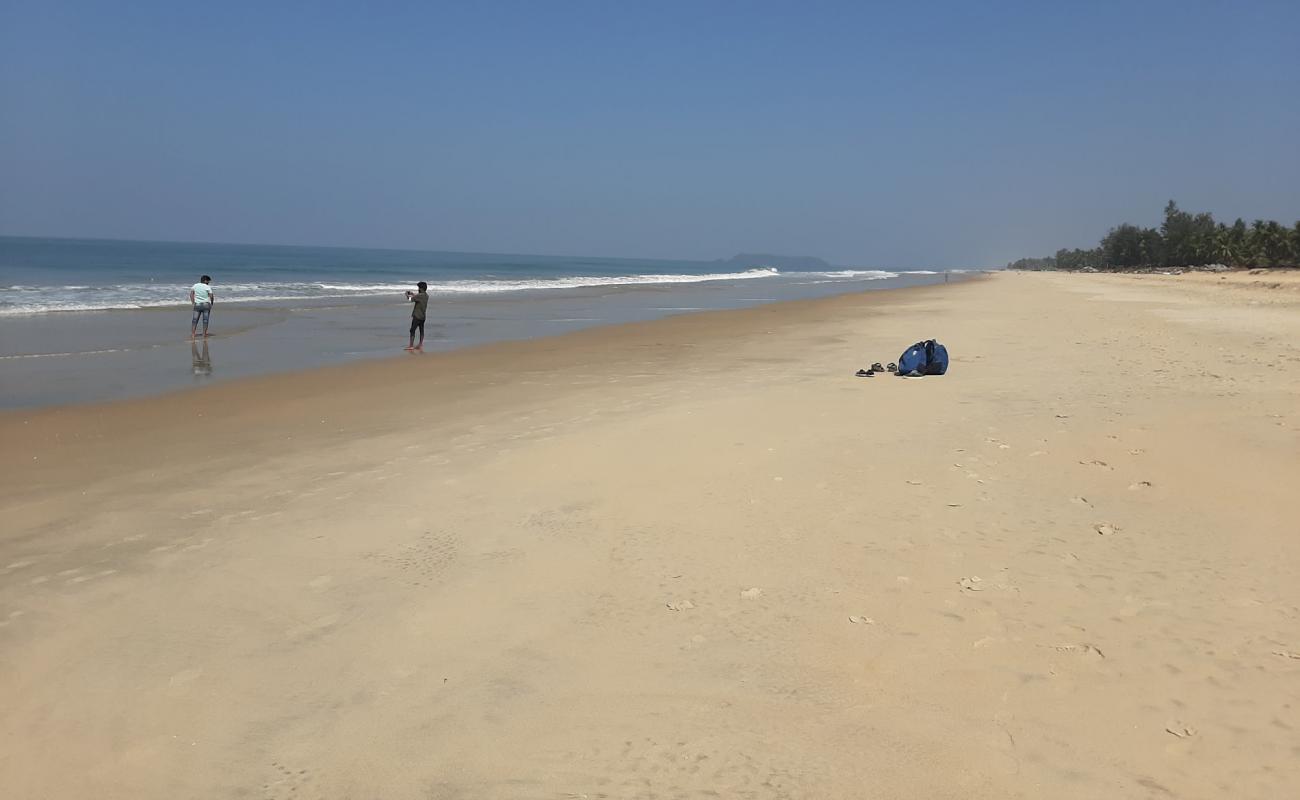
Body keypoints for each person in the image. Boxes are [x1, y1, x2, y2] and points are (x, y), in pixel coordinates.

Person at [405, 281, 429, 351]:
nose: (418, 289)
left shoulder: (419, 296)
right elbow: (418, 297)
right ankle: (420, 345)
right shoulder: (426, 296)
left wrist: (407, 295)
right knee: (421, 330)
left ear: (421, 289)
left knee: (412, 330)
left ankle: (411, 345)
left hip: (417, 316)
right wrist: (413, 294)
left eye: (418, 288)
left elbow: (410, 300)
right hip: (423, 316)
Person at [189, 275, 214, 339]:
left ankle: (193, 334)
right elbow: (211, 296)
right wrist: (212, 303)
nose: (208, 282)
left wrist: (193, 302)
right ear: (205, 280)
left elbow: (191, 294)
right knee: (205, 320)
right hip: (206, 304)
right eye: (208, 281)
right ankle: (204, 334)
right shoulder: (207, 287)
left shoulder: (195, 285)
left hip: (197, 304)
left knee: (194, 320)